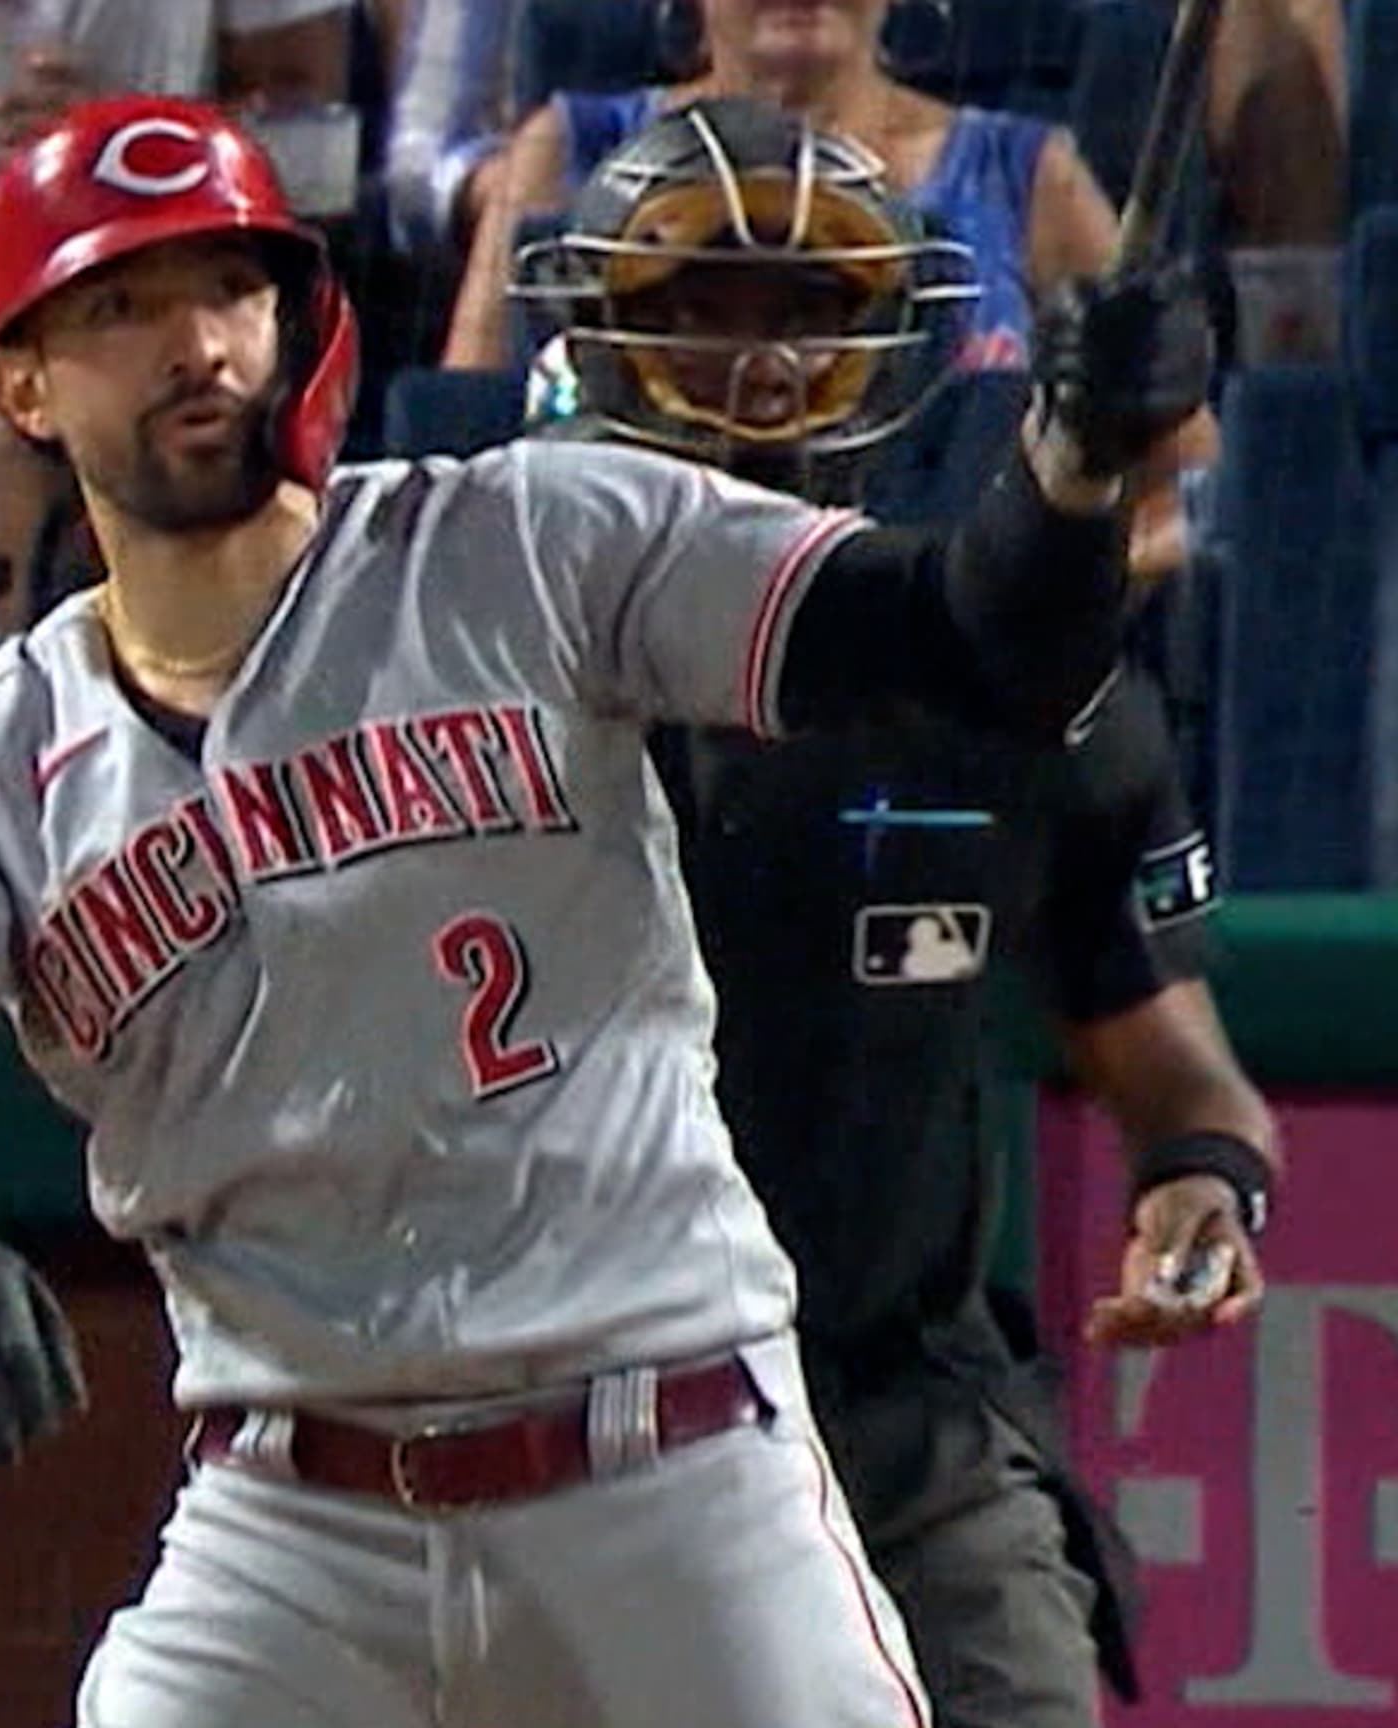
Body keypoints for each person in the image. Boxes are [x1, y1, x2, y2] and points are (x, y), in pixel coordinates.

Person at [0, 92, 1211, 1727]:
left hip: (665, 1464)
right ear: (18, 380)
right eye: (122, 305)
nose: (196, 343)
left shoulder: (522, 535)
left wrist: (1074, 464)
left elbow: (966, 632)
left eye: (228, 288)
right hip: (294, 1513)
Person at [512, 96, 1281, 1728]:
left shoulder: (1018, 694)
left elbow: (1181, 1081)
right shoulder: (461, 675)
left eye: (807, 307)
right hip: (530, 1431)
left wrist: (1205, 1188)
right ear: (598, 326)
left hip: (899, 1418)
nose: (755, 353)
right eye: (696, 304)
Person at [446, 0, 1217, 577]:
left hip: (938, 671)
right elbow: (459, 437)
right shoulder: (565, 151)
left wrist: (1038, 589)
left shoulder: (1031, 172)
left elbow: (1198, 483)